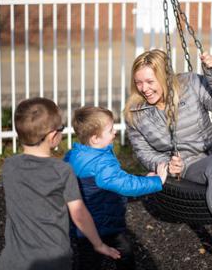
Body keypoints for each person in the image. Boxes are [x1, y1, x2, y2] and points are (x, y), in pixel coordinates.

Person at [124, 49, 212, 264]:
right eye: (139, 83)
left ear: (165, 77)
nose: (144, 89)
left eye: (149, 81)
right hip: (190, 164)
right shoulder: (135, 113)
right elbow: (143, 152)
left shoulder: (190, 84)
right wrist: (164, 164)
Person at [0, 98, 120, 270]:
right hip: (52, 259)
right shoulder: (61, 171)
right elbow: (79, 214)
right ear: (53, 136)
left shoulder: (9, 166)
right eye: (61, 128)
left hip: (13, 260)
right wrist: (98, 244)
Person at [64, 106, 168, 270]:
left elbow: (117, 178)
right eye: (110, 130)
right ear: (95, 139)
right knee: (124, 255)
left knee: (87, 262)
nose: (114, 132)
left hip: (83, 227)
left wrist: (142, 178)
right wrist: (156, 182)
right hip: (105, 225)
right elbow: (125, 184)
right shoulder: (101, 163)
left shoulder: (73, 155)